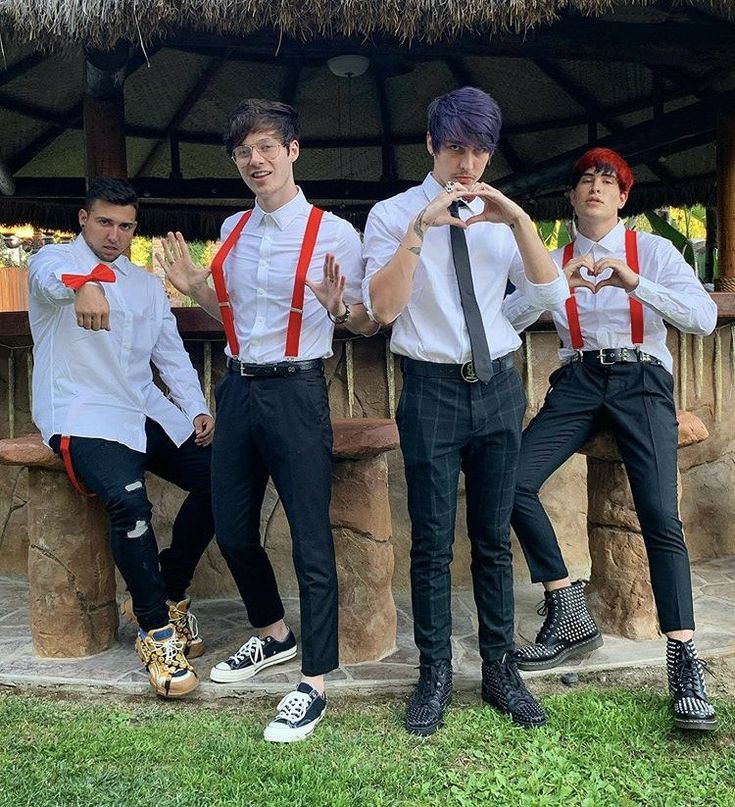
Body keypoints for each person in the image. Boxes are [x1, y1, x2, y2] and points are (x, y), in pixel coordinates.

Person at [159, 98, 374, 743]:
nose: (254, 161)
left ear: (292, 151)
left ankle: (315, 682)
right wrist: (193, 285)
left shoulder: (335, 232)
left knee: (311, 535)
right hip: (238, 389)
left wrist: (339, 310)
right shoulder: (231, 227)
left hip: (297, 390)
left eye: (266, 148)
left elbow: (365, 319)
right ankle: (273, 634)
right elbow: (233, 317)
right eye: (243, 152)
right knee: (231, 525)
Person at [362, 86, 569, 735]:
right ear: (431, 145)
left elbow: (546, 292)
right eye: (456, 148)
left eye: (479, 150)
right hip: (430, 388)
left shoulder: (497, 214)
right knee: (429, 541)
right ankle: (433, 674)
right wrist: (421, 228)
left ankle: (499, 671)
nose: (467, 164)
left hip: (498, 385)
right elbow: (382, 308)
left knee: (491, 537)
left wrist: (516, 220)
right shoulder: (393, 213)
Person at [503, 147, 718, 731]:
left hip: (641, 377)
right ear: (571, 196)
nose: (595, 187)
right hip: (576, 381)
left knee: (658, 514)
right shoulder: (548, 257)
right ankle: (567, 604)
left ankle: (683, 660)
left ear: (623, 197)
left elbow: (700, 318)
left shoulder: (652, 250)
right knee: (511, 482)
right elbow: (505, 323)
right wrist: (551, 288)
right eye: (585, 180)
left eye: (609, 180)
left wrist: (636, 283)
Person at [28, 177, 215, 699]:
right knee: (130, 506)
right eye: (104, 222)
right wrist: (85, 282)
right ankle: (155, 632)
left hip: (142, 408)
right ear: (83, 219)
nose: (114, 234)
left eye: (125, 226)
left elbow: (170, 354)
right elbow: (48, 278)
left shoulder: (144, 284)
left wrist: (196, 408)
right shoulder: (53, 263)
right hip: (83, 413)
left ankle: (169, 589)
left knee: (225, 482)